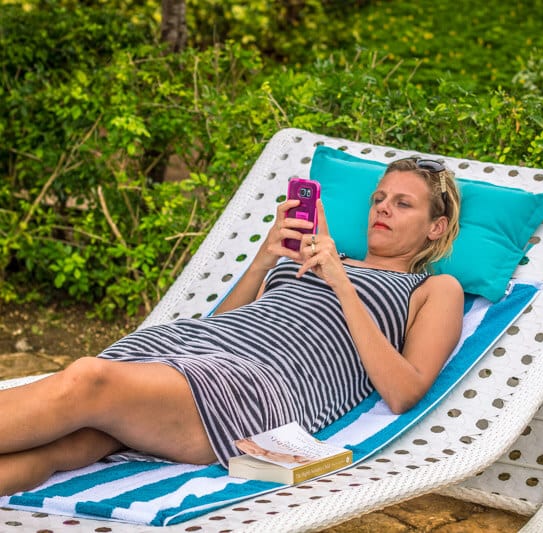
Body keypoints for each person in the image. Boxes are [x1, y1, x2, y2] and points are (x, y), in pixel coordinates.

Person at [0, 157, 463, 496]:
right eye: (379, 198)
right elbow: (226, 327)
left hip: (261, 388)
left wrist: (342, 283)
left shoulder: (435, 290)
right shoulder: (321, 253)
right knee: (68, 446)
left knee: (88, 379)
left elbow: (404, 392)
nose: (382, 209)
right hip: (195, 350)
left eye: (403, 204)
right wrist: (265, 259)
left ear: (436, 227)